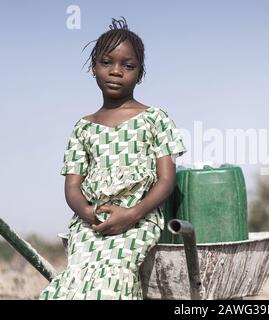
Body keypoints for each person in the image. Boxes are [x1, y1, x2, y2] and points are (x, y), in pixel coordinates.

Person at [39, 17, 187, 300]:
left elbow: (166, 180)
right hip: (90, 222)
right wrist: (88, 213)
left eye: (128, 66)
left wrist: (132, 213)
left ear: (140, 73)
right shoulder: (83, 127)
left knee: (114, 278)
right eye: (107, 62)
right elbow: (72, 187)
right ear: (94, 67)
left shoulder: (155, 119)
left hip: (139, 218)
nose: (116, 71)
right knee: (76, 279)